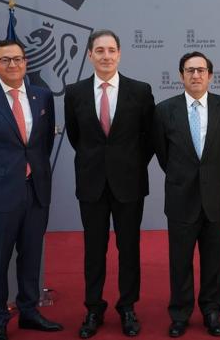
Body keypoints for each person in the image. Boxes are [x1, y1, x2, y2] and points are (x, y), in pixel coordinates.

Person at [0, 39, 62, 340]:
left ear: (26, 62)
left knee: (31, 256)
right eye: (5, 60)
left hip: (35, 191)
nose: (13, 65)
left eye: (18, 59)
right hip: (0, 194)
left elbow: (44, 143)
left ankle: (29, 312)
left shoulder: (42, 96)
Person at [64, 30, 155, 338]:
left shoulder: (140, 91)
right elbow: (77, 138)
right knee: (94, 249)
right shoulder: (74, 92)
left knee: (129, 248)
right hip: (91, 183)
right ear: (90, 55)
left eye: (111, 50)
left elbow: (149, 138)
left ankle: (127, 307)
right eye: (99, 50)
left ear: (119, 54)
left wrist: (127, 164)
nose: (105, 55)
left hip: (129, 183)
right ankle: (93, 308)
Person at [153, 52, 220, 338]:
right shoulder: (164, 110)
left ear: (210, 76)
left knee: (215, 261)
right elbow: (164, 155)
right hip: (180, 198)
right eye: (190, 70)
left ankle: (212, 311)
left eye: (201, 70)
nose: (196, 75)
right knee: (180, 261)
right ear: (181, 76)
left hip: (216, 198)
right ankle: (180, 313)